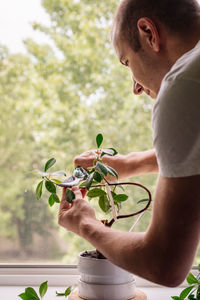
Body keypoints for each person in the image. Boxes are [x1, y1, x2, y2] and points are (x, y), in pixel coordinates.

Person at [58, 0, 200, 287]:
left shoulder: (183, 83)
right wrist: (133, 163)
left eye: (126, 62)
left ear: (149, 32)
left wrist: (87, 224)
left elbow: (165, 264)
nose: (135, 88)